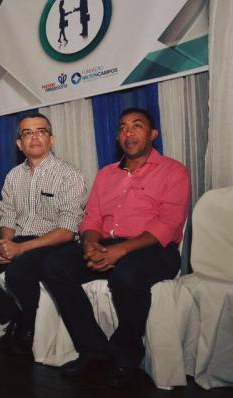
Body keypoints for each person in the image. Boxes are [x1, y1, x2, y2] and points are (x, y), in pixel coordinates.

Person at [40, 108, 190, 388]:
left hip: (154, 248)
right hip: (107, 242)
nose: (128, 133)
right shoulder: (106, 174)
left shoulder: (174, 171)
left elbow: (168, 225)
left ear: (153, 134)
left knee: (126, 274)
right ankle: (94, 349)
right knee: (53, 265)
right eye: (122, 128)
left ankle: (126, 355)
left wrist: (120, 252)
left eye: (137, 126)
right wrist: (91, 245)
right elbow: (91, 218)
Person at [0, 112, 86, 356]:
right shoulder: (13, 176)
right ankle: (12, 316)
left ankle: (27, 327)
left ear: (52, 139)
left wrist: (20, 249)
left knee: (19, 270)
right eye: (27, 133)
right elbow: (9, 218)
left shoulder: (69, 175)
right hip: (19, 240)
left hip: (55, 243)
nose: (34, 137)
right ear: (19, 144)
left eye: (41, 131)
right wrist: (5, 244)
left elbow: (68, 231)